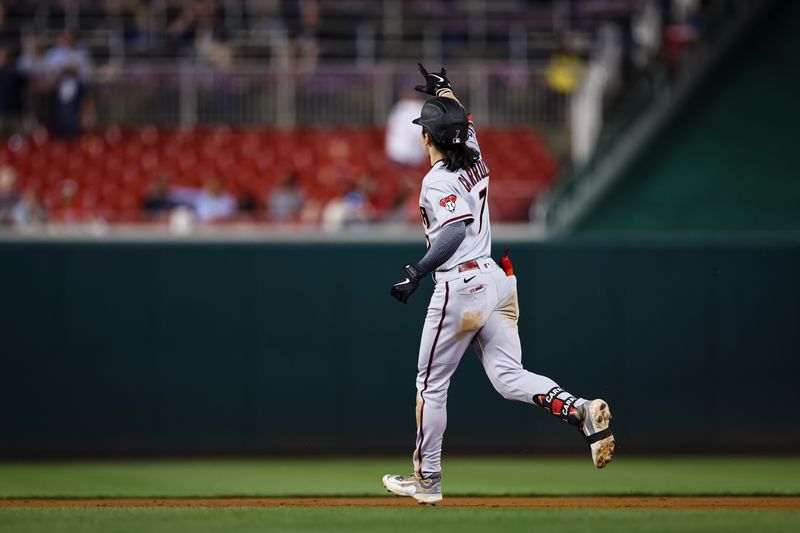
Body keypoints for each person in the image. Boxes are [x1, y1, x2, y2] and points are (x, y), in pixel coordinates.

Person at [382, 65, 615, 505]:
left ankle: (427, 480)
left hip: (460, 286)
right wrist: (445, 90)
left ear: (428, 138)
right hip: (497, 280)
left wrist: (418, 270)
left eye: (423, 130)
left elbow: (454, 229)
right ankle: (579, 409)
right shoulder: (472, 149)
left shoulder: (438, 179)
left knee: (430, 385)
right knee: (509, 378)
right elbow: (461, 121)